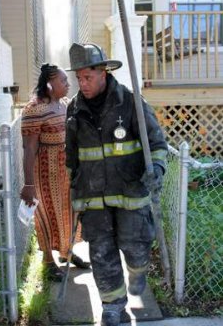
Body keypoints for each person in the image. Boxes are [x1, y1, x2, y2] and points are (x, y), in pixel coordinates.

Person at [65, 43, 168, 326]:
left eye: (87, 77)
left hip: (130, 194)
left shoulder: (131, 103)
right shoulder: (74, 109)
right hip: (93, 198)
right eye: (79, 78)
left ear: (104, 73)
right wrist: (74, 186)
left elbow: (157, 143)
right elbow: (72, 155)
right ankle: (112, 306)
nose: (82, 84)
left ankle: (138, 271)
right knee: (101, 253)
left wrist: (156, 167)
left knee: (136, 248)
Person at [20, 63, 90, 283]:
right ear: (50, 84)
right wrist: (29, 185)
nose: (68, 84)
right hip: (46, 173)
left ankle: (67, 253)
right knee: (47, 216)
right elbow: (29, 148)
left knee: (69, 212)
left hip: (67, 170)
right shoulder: (34, 109)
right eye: (63, 81)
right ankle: (48, 262)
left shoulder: (65, 104)